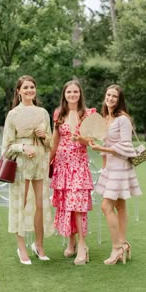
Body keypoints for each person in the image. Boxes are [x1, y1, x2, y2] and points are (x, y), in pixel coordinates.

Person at [2, 75, 54, 265]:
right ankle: (21, 246)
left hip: (40, 162)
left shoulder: (43, 113)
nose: (29, 90)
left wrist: (43, 136)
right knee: (21, 204)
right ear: (18, 91)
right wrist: (22, 148)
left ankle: (39, 246)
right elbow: (6, 148)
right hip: (21, 165)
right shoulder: (13, 115)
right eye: (25, 88)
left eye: (32, 87)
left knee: (41, 204)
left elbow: (50, 143)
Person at [89, 84, 142, 265]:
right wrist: (104, 165)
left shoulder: (123, 119)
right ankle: (123, 243)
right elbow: (105, 148)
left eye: (115, 97)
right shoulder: (106, 119)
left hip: (121, 167)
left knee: (106, 206)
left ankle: (117, 247)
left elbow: (126, 146)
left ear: (119, 101)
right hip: (110, 168)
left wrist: (101, 148)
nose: (111, 98)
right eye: (109, 95)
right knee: (119, 205)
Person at [50, 80, 96, 265]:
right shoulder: (58, 114)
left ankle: (83, 245)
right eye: (69, 92)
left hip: (78, 165)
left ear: (80, 94)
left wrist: (81, 138)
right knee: (66, 205)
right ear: (64, 94)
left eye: (75, 92)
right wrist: (48, 162)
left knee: (77, 206)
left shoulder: (88, 114)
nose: (72, 95)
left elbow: (92, 143)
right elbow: (55, 142)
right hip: (62, 166)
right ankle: (71, 242)